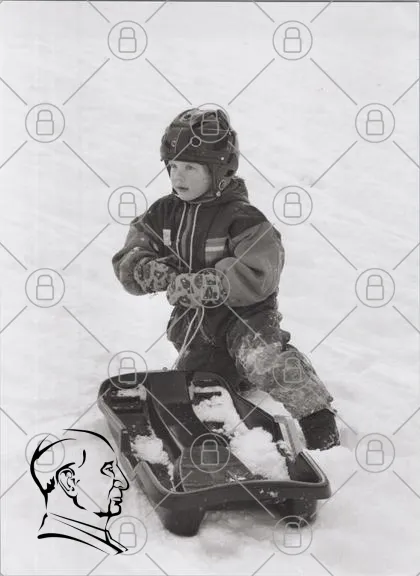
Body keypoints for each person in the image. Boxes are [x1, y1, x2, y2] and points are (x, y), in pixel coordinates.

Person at [112, 108, 340, 451]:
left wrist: (209, 284)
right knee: (196, 384)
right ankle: (226, 396)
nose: (178, 176)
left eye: (190, 167)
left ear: (218, 171)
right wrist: (149, 270)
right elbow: (131, 255)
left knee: (262, 359)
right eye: (173, 166)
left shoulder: (242, 217)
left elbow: (260, 270)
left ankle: (318, 419)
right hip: (197, 323)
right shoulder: (163, 213)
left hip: (246, 317)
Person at [30, 430, 129, 554]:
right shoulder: (68, 554)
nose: (124, 483)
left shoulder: (102, 545)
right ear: (69, 482)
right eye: (108, 469)